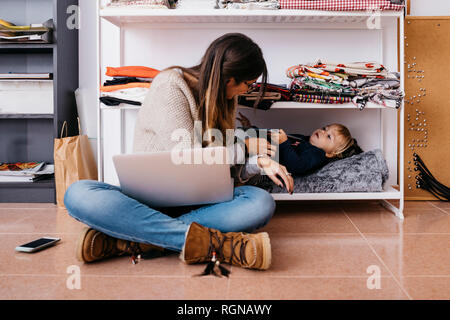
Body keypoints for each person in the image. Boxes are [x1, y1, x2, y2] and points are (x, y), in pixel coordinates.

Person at [64, 33, 294, 272]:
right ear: (230, 79)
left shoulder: (225, 101)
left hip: (199, 201)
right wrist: (245, 147)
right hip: (147, 202)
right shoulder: (171, 85)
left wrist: (259, 162)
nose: (246, 90)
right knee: (78, 193)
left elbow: (221, 165)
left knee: (260, 203)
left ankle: (129, 239)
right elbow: (189, 158)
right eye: (248, 83)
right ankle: (215, 245)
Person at [237, 112, 364, 176]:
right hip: (255, 145)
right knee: (232, 139)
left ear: (331, 154)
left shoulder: (317, 154)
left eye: (329, 136)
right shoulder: (306, 140)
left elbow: (297, 166)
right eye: (325, 128)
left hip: (259, 158)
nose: (323, 132)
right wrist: (250, 128)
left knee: (230, 148)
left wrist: (284, 143)